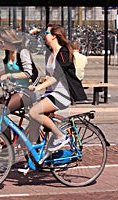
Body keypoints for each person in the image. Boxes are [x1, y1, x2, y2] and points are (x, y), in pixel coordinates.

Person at [27, 24, 87, 153]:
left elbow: (57, 76)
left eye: (46, 33)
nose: (44, 36)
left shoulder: (64, 52)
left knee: (34, 112)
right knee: (33, 120)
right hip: (51, 92)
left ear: (54, 36)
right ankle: (33, 155)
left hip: (63, 94)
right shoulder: (49, 54)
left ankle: (60, 136)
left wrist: (39, 88)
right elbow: (48, 76)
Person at [0, 26, 40, 142]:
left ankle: (8, 147)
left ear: (9, 40)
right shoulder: (8, 54)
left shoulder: (22, 52)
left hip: (28, 91)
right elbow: (9, 70)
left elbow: (28, 73)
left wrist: (9, 76)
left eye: (1, 42)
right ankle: (14, 135)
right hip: (17, 91)